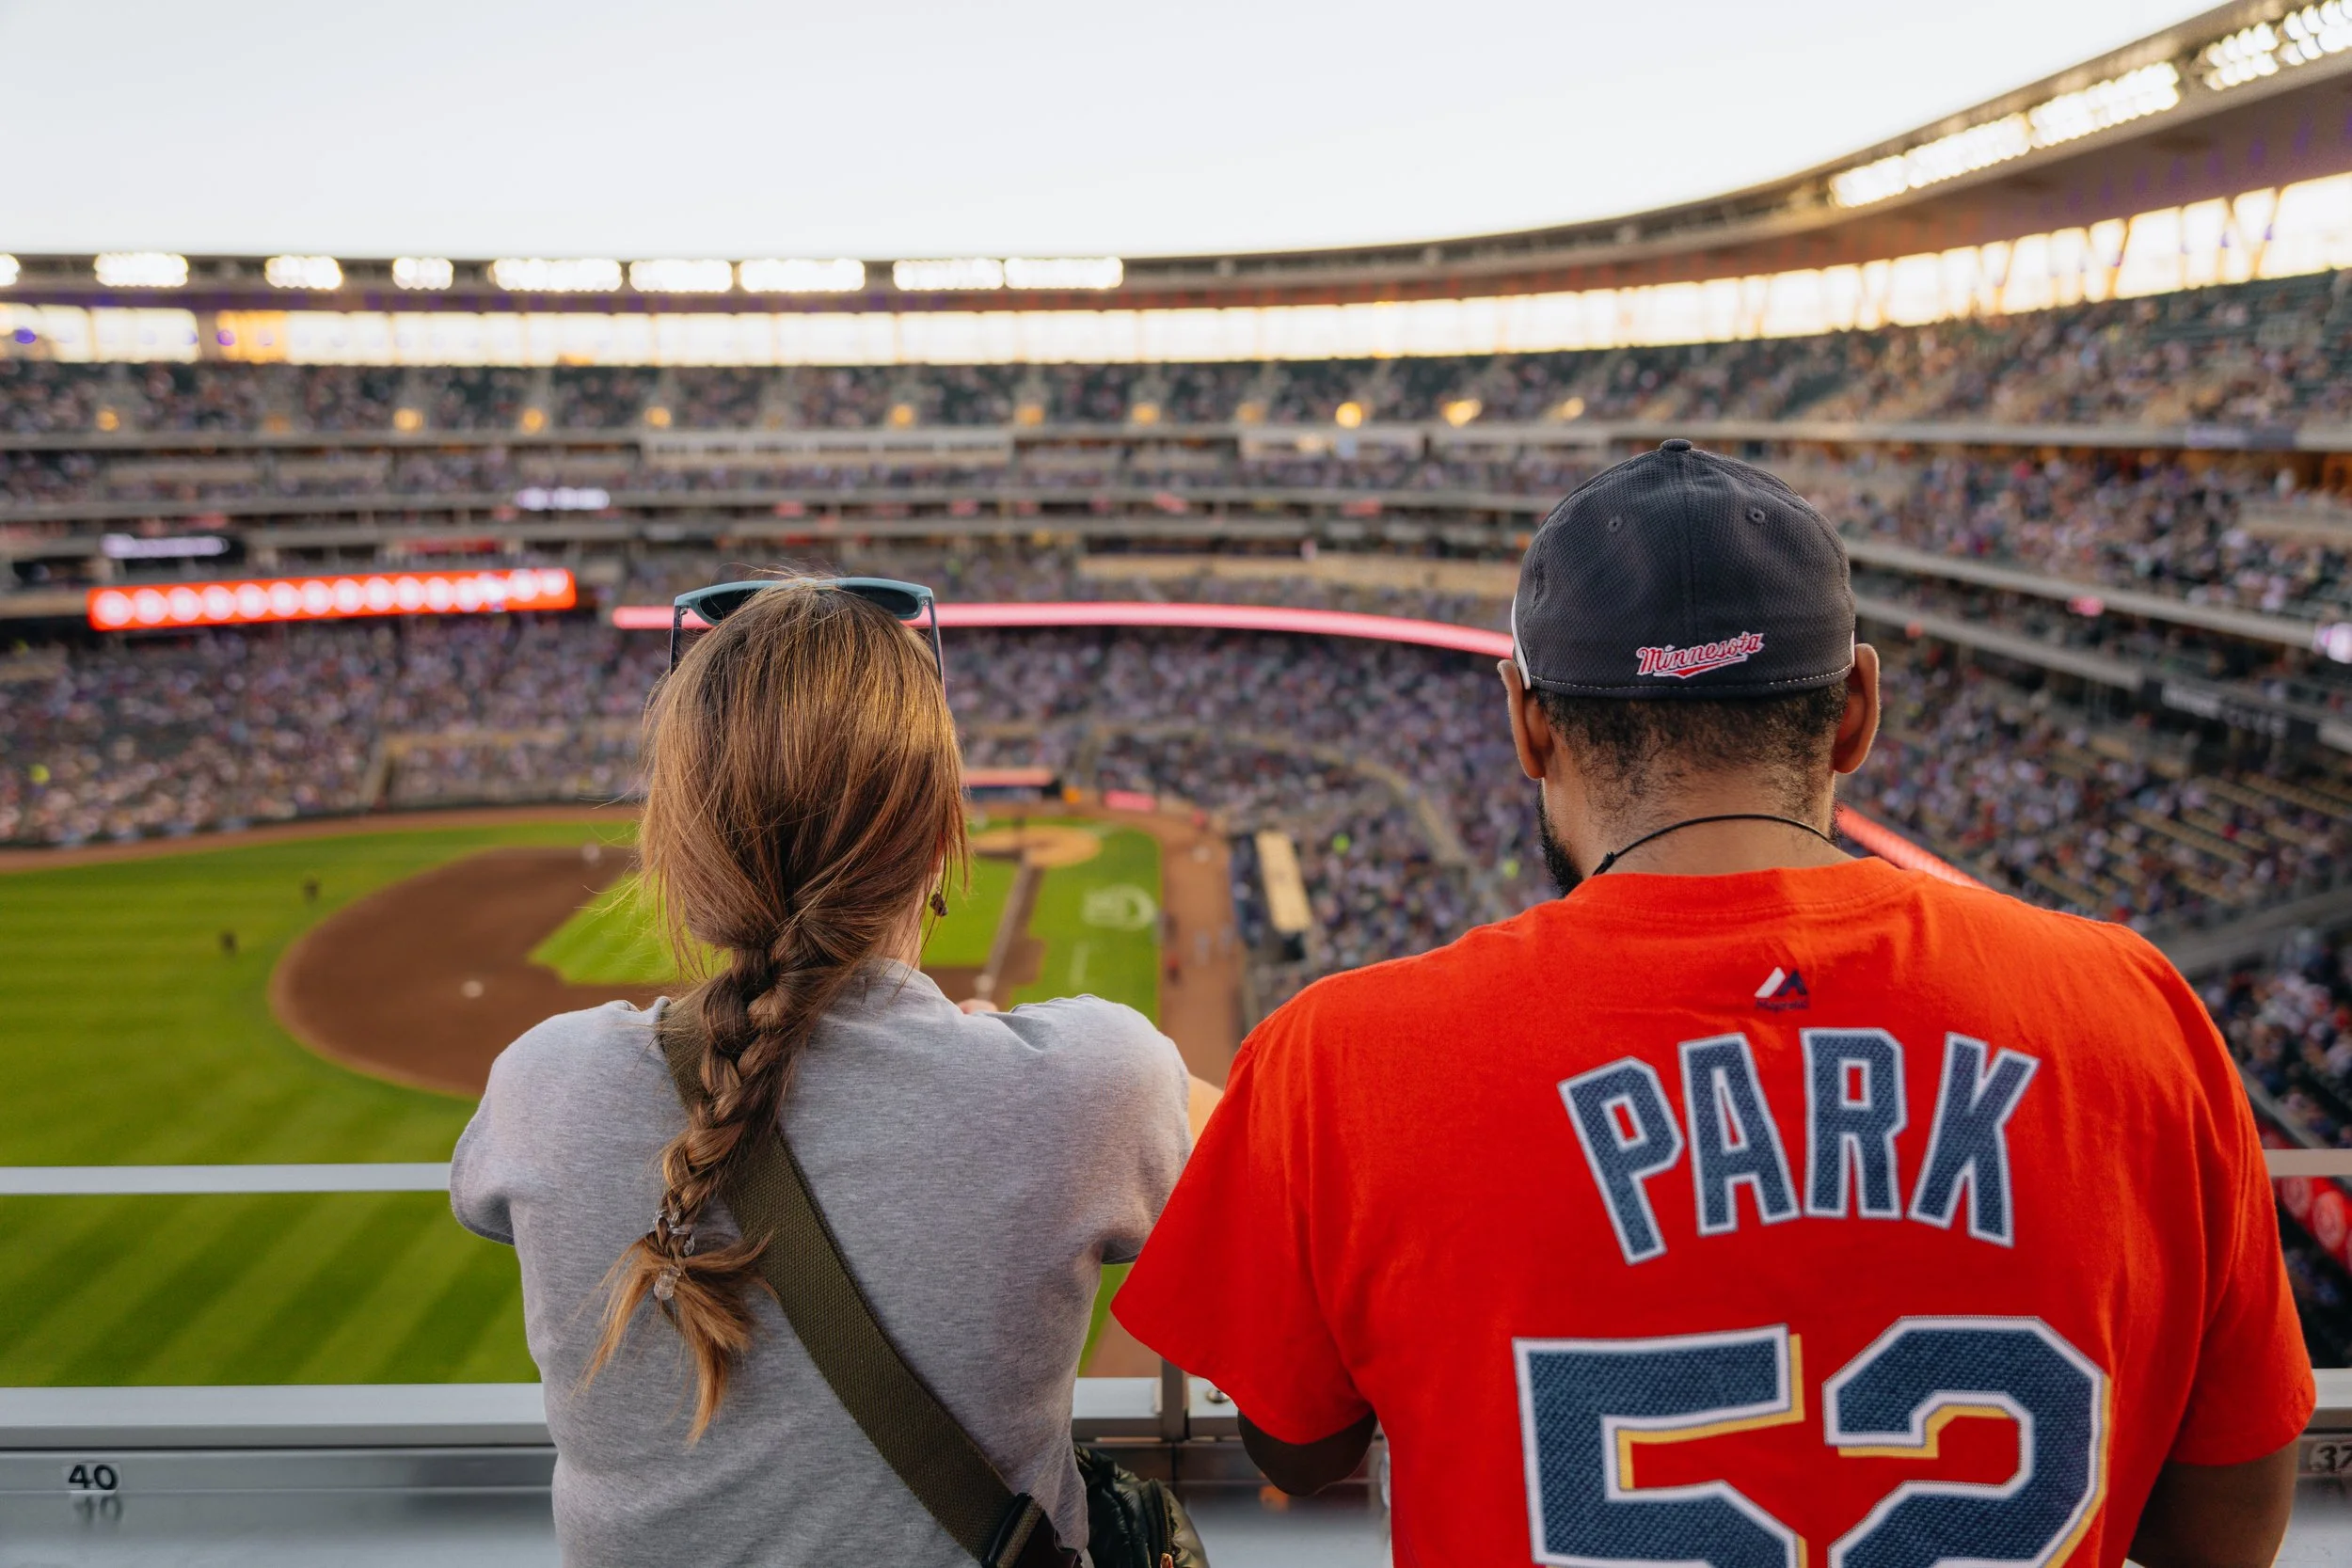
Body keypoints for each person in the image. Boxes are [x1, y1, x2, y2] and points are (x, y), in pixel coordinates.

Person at [1114, 439, 2311, 1567]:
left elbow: (1295, 1443)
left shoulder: (1343, 1054)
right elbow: (2227, 1528)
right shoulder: (2136, 1010)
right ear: (1855, 708)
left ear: (1529, 723)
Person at [449, 580, 1197, 1565]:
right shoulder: (1097, 1079)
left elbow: (487, 1198)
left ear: (677, 843)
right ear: (939, 839)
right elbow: (1267, 1153)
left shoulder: (542, 1079)